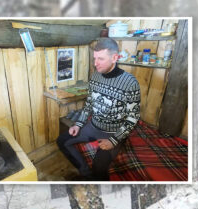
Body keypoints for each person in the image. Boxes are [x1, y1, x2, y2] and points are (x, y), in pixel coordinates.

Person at [56, 37, 140, 180]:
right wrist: (79, 124)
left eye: (100, 59)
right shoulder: (95, 76)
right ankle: (85, 173)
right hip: (93, 126)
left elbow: (133, 117)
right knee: (62, 141)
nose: (95, 64)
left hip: (113, 132)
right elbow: (89, 104)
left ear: (114, 58)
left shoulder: (130, 83)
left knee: (99, 169)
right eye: (95, 58)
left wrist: (114, 140)